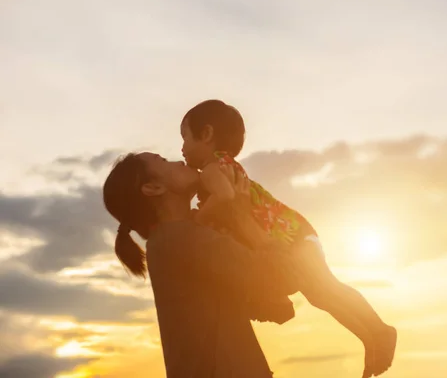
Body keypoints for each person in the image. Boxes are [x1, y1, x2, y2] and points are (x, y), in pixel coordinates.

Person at [180, 99, 397, 377]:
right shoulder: (226, 164)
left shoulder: (211, 170)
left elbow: (225, 198)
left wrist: (196, 220)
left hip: (288, 237)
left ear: (206, 134)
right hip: (293, 233)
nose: (182, 147)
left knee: (327, 289)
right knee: (322, 294)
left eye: (185, 137)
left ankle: (379, 330)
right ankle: (371, 337)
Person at [103, 152, 304, 377]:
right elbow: (286, 278)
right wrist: (242, 215)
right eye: (164, 162)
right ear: (153, 188)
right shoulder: (182, 238)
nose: (179, 161)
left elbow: (277, 309)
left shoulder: (170, 242)